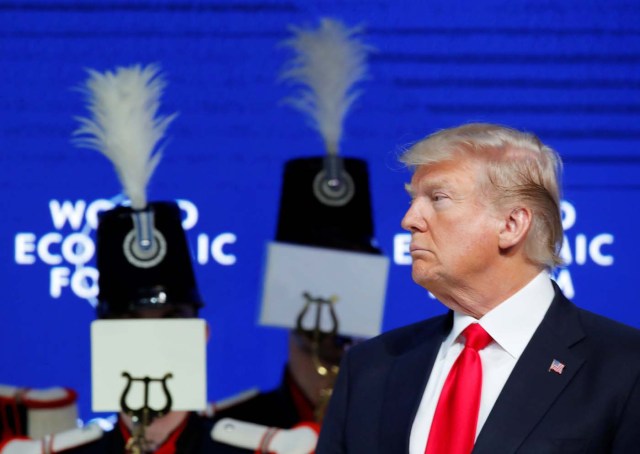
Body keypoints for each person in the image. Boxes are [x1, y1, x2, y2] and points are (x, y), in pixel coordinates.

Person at [317, 123, 640, 454]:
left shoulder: (625, 368)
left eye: (438, 198)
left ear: (511, 225)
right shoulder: (370, 368)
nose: (410, 219)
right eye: (413, 199)